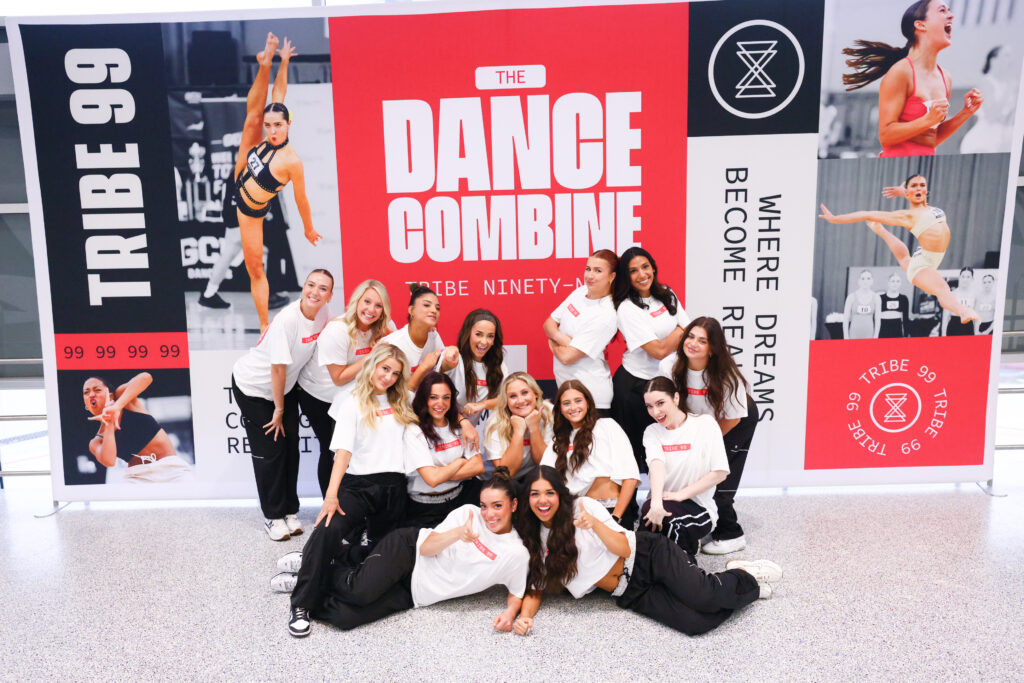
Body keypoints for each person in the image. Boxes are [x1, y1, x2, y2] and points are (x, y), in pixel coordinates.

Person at [511, 467, 781, 637]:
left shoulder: (583, 507)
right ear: (527, 500)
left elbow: (624, 546)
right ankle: (745, 589)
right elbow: (535, 588)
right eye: (535, 494)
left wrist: (593, 525)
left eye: (549, 492)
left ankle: (743, 576)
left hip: (647, 555)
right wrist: (524, 618)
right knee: (696, 623)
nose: (542, 500)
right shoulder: (533, 539)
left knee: (704, 596)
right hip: (627, 591)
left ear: (560, 493)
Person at [273, 467, 528, 637]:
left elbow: (517, 592)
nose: (489, 514)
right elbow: (428, 548)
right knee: (359, 591)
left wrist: (509, 614)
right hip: (410, 551)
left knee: (344, 618)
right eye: (485, 505)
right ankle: (313, 567)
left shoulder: (516, 553)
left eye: (497, 506)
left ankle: (311, 575)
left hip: (416, 593)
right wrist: (458, 534)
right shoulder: (469, 514)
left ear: (513, 505)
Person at [283, 343, 418, 632]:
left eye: (395, 373)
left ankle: (312, 566)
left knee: (378, 556)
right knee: (327, 531)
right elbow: (342, 453)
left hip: (395, 488)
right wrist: (331, 496)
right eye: (384, 369)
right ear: (373, 366)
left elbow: (436, 408)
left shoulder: (403, 399)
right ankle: (301, 604)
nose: (388, 377)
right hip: (359, 486)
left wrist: (462, 422)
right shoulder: (352, 401)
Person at [231, 269, 333, 540]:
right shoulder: (288, 320)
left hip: (284, 389)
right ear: (303, 287)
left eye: (322, 288)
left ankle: (290, 511)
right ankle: (273, 517)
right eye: (311, 285)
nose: (315, 292)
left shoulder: (323, 314)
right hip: (254, 388)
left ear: (329, 295)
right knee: (271, 451)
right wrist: (278, 409)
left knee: (291, 449)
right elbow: (278, 368)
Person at [229, 34, 322, 332]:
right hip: (238, 175)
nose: (272, 130)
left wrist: (308, 227)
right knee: (253, 118)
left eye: (278, 125)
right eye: (270, 126)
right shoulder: (268, 130)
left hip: (249, 211)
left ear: (288, 124)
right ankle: (265, 63)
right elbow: (278, 93)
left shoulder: (291, 160)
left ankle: (264, 324)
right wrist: (283, 62)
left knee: (255, 267)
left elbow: (302, 200)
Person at [819, 174, 979, 323]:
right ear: (909, 191)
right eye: (914, 186)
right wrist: (836, 219)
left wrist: (904, 191)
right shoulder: (907, 216)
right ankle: (962, 311)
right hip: (923, 264)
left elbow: (916, 194)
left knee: (904, 259)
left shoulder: (932, 208)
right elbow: (866, 214)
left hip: (926, 255)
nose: (919, 188)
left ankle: (880, 231)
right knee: (942, 288)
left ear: (926, 189)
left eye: (922, 185)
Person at [661, 319, 759, 555]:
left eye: (702, 341)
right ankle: (700, 525)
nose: (692, 343)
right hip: (701, 423)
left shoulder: (728, 376)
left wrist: (705, 445)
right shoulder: (670, 365)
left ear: (713, 348)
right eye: (690, 336)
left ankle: (731, 534)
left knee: (718, 475)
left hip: (735, 422)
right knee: (691, 469)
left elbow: (732, 418)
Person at [842, 0, 982, 157]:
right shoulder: (901, 72)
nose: (951, 15)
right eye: (942, 10)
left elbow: (931, 139)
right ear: (921, 25)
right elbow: (886, 136)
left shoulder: (945, 78)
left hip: (925, 161)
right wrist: (928, 120)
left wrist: (966, 112)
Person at [296, 279, 394, 496]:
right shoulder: (338, 330)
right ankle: (329, 506)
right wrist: (372, 356)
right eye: (367, 301)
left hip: (351, 397)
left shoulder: (386, 328)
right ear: (356, 301)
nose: (371, 310)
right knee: (332, 450)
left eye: (378, 305)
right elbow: (338, 378)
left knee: (357, 450)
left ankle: (354, 504)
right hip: (319, 395)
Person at [612, 246, 689, 471]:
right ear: (627, 277)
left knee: (666, 448)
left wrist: (679, 332)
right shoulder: (627, 309)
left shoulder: (667, 293)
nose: (642, 274)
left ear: (653, 268)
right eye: (633, 271)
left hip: (664, 382)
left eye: (645, 267)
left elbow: (689, 327)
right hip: (634, 386)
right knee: (632, 453)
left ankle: (668, 501)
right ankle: (629, 507)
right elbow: (657, 350)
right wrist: (678, 331)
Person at [639, 377, 730, 561]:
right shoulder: (652, 432)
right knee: (648, 524)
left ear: (676, 399)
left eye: (660, 403)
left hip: (699, 506)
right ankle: (668, 572)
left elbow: (720, 472)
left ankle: (689, 578)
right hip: (665, 500)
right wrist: (656, 502)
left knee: (670, 526)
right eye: (649, 406)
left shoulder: (705, 424)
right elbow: (656, 464)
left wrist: (681, 495)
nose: (655, 411)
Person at [539, 380, 640, 529]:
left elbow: (630, 477)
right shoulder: (559, 440)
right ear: (560, 408)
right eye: (566, 403)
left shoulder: (607, 426)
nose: (573, 407)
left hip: (611, 511)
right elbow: (544, 478)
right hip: (576, 515)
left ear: (588, 402)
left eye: (578, 401)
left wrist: (615, 518)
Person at [400, 371, 485, 530]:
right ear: (424, 398)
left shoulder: (460, 427)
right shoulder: (414, 430)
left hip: (460, 499)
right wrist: (460, 462)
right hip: (425, 508)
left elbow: (478, 466)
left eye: (446, 397)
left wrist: (440, 474)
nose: (440, 403)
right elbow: (431, 480)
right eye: (433, 397)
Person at [543, 250, 619, 414]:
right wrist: (562, 339)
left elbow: (566, 357)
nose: (590, 275)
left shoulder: (606, 314)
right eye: (588, 269)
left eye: (598, 271)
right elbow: (548, 324)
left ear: (612, 276)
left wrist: (552, 340)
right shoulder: (579, 292)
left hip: (592, 399)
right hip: (568, 395)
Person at [84, 373, 192, 483]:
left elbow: (146, 377)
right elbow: (109, 461)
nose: (91, 394)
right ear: (86, 404)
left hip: (171, 468)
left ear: (110, 395)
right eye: (86, 392)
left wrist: (117, 406)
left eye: (97, 390)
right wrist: (109, 424)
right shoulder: (96, 441)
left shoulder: (123, 397)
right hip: (137, 476)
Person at [382, 283, 458, 392]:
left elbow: (440, 370)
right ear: (411, 310)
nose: (434, 310)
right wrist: (423, 367)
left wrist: (450, 360)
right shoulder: (394, 344)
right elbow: (395, 395)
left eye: (437, 308)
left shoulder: (434, 336)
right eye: (427, 305)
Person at [481, 372, 553, 481]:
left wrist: (534, 428)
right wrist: (518, 431)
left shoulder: (548, 412)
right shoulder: (495, 423)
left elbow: (545, 465)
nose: (520, 400)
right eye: (513, 396)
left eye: (525, 393)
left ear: (536, 394)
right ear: (506, 401)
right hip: (498, 481)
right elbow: (506, 474)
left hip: (532, 477)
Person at [446, 309, 508, 427]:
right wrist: (462, 421)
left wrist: (483, 404)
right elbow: (435, 399)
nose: (484, 342)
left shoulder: (497, 366)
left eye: (490, 336)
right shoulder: (453, 357)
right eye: (478, 334)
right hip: (438, 429)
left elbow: (506, 398)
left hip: (467, 434)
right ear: (468, 333)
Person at [843, 270, 882, 339]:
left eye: (868, 278)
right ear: (859, 281)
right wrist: (846, 336)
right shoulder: (851, 297)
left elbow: (877, 319)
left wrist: (876, 336)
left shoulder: (876, 298)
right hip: (853, 334)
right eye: (863, 278)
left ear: (872, 281)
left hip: (869, 334)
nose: (865, 281)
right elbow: (846, 318)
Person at [943, 267, 977, 336]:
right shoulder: (951, 295)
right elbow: (945, 317)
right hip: (954, 326)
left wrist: (976, 334)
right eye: (963, 276)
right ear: (959, 277)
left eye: (968, 277)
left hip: (968, 327)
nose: (965, 279)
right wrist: (943, 335)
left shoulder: (974, 295)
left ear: (972, 279)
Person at [879, 273, 912, 338]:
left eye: (898, 281)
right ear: (888, 283)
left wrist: (906, 334)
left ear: (900, 283)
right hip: (883, 329)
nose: (895, 283)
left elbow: (905, 318)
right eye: (893, 281)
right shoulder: (880, 298)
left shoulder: (903, 298)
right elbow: (876, 318)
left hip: (897, 330)